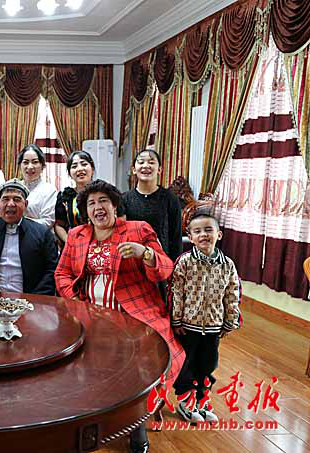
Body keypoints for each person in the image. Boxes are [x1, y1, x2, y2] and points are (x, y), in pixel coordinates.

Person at [54, 179, 185, 453]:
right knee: (78, 359)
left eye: (104, 201)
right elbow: (62, 273)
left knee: (141, 361)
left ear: (115, 206)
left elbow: (165, 269)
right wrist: (75, 301)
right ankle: (92, 412)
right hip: (89, 313)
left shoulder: (138, 229)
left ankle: (136, 425)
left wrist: (145, 253)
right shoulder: (77, 235)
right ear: (85, 211)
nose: (98, 207)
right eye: (91, 203)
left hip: (133, 312)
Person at [171, 213, 241, 424]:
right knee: (187, 365)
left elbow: (232, 294)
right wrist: (176, 319)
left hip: (213, 326)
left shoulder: (227, 264)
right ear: (190, 237)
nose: (203, 234)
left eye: (208, 230)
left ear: (219, 234)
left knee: (208, 364)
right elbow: (176, 292)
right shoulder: (184, 262)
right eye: (197, 231)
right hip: (188, 326)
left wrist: (230, 321)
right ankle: (186, 401)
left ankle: (202, 400)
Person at [0, 179, 58, 295]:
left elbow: (52, 270)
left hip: (30, 299)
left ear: (26, 204)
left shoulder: (42, 233)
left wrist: (35, 299)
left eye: (17, 199)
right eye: (5, 199)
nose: (11, 204)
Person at [122, 149, 182, 262]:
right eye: (141, 162)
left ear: (159, 170)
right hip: (132, 260)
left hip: (160, 261)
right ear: (134, 169)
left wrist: (173, 265)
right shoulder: (124, 199)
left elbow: (176, 237)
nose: (146, 166)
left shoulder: (170, 199)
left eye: (151, 162)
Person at [54, 150, 96, 246]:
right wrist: (69, 242)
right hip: (74, 245)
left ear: (92, 169)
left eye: (84, 164)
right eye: (74, 166)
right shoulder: (64, 197)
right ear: (69, 173)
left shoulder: (103, 193)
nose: (79, 169)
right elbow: (59, 225)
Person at [18, 144, 57, 228]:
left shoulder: (49, 190)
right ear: (20, 165)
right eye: (25, 162)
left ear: (42, 166)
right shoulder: (15, 188)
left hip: (39, 235)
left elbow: (48, 222)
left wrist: (20, 222)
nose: (30, 166)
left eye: (35, 162)